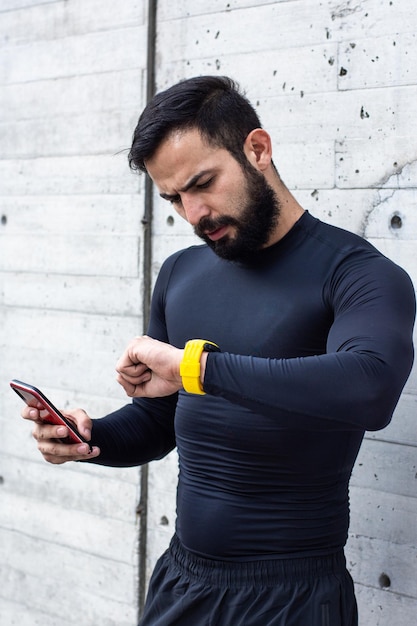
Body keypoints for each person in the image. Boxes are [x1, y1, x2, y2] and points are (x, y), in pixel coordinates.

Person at [22, 76, 415, 626]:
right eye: (173, 198)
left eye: (203, 183)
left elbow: (371, 388)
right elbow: (160, 423)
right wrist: (93, 438)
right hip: (182, 585)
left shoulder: (358, 274)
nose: (193, 212)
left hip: (293, 599)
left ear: (257, 149)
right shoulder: (181, 274)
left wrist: (195, 367)